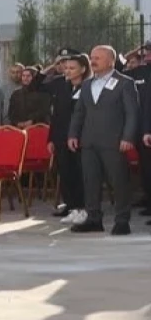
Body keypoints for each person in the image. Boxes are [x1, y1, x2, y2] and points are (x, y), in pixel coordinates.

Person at [68, 45, 138, 236]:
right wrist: (73, 134)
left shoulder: (125, 83)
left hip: (114, 142)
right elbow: (79, 112)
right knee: (90, 181)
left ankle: (122, 220)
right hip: (88, 141)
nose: (93, 61)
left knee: (119, 181)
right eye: (92, 57)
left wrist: (127, 137)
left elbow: (132, 114)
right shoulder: (86, 84)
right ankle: (93, 219)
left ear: (110, 61)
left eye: (98, 57)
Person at [50, 54, 89, 221]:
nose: (67, 71)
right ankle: (70, 205)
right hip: (60, 138)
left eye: (72, 68)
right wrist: (50, 139)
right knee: (64, 173)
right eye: (66, 68)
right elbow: (55, 115)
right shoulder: (62, 88)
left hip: (79, 138)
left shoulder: (88, 88)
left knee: (78, 174)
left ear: (83, 69)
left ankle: (82, 207)